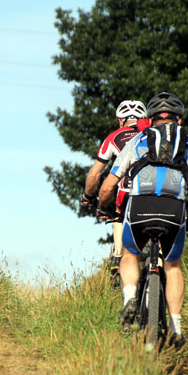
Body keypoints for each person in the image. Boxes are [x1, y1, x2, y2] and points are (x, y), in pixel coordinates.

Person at [97, 92, 188, 345]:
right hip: (174, 212)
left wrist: (103, 206)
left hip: (139, 207)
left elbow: (108, 187)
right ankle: (176, 327)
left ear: (150, 120)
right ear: (179, 120)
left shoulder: (137, 141)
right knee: (172, 266)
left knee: (129, 253)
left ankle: (130, 297)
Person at [80, 100, 149, 273]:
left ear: (120, 120)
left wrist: (89, 196)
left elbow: (94, 174)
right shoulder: (154, 133)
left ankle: (118, 254)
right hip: (158, 190)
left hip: (127, 193)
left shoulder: (114, 137)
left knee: (118, 212)